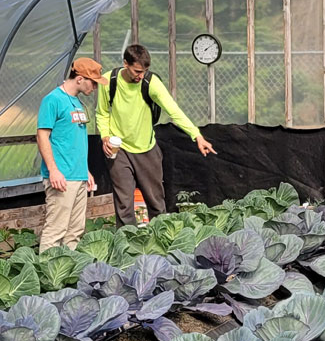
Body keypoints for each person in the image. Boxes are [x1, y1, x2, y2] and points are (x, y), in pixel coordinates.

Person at [95, 44, 216, 225]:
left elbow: (173, 111)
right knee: (124, 205)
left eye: (144, 71)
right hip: (118, 151)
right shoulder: (109, 81)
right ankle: (128, 247)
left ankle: (160, 242)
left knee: (156, 203)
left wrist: (196, 135)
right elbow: (102, 113)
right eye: (137, 71)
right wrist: (105, 136)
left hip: (146, 149)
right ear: (125, 64)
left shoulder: (150, 83)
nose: (140, 76)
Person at [36, 57, 102, 248]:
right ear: (80, 78)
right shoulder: (53, 100)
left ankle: (67, 272)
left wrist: (86, 171)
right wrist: (53, 170)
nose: (95, 88)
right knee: (56, 230)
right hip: (62, 177)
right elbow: (42, 136)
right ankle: (47, 274)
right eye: (93, 82)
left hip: (78, 175)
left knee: (75, 231)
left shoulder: (77, 102)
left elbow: (74, 140)